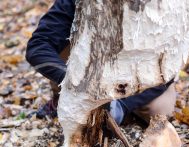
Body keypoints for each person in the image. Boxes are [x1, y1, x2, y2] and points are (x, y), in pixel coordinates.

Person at [26, 0, 176, 125]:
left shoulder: (161, 6)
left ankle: (119, 110)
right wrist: (72, 81)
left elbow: (169, 67)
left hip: (139, 69)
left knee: (159, 111)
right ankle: (63, 98)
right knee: (61, 44)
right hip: (89, 66)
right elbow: (38, 45)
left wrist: (123, 106)